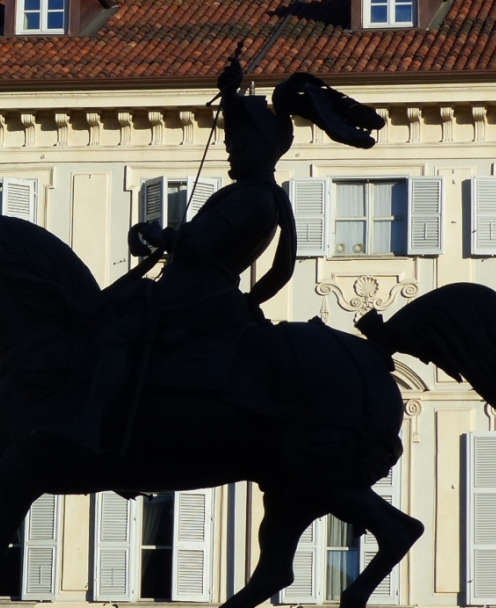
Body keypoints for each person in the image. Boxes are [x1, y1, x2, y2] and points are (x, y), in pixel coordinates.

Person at [44, 55, 383, 455]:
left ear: (259, 150)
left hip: (197, 296)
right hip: (199, 291)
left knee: (117, 334)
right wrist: (230, 91)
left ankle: (89, 425)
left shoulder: (254, 197)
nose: (230, 152)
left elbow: (203, 244)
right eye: (229, 144)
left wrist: (160, 233)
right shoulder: (254, 193)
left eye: (238, 145)